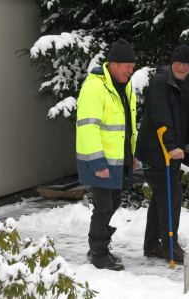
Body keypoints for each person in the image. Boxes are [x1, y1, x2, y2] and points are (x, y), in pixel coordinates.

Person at [135, 44, 189, 263]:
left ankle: (151, 245)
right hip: (156, 151)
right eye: (178, 62)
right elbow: (161, 117)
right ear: (172, 62)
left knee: (161, 197)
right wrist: (170, 146)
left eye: (186, 63)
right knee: (171, 195)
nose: (181, 66)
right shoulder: (160, 83)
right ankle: (170, 246)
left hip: (172, 152)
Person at [76, 38, 138, 271]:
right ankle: (98, 252)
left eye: (133, 67)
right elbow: (88, 126)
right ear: (113, 64)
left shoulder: (125, 85)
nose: (131, 71)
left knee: (113, 202)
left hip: (118, 159)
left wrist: (132, 153)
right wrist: (96, 161)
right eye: (127, 66)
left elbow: (128, 124)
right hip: (101, 161)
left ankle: (100, 246)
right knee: (103, 207)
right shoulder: (95, 86)